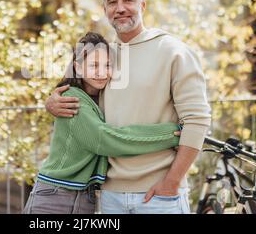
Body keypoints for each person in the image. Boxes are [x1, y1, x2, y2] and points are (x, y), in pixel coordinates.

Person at [45, 0, 211, 214]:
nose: (120, 8)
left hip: (159, 196)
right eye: (112, 2)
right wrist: (50, 103)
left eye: (128, 0)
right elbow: (75, 91)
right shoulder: (102, 56)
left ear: (142, 5)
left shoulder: (173, 51)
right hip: (110, 196)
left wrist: (172, 182)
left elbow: (197, 120)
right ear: (105, 10)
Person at [23, 32, 182, 214]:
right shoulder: (71, 98)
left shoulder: (104, 98)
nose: (101, 72)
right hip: (55, 196)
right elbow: (105, 140)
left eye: (107, 65)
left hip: (86, 198)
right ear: (78, 67)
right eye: (94, 65)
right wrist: (169, 134)